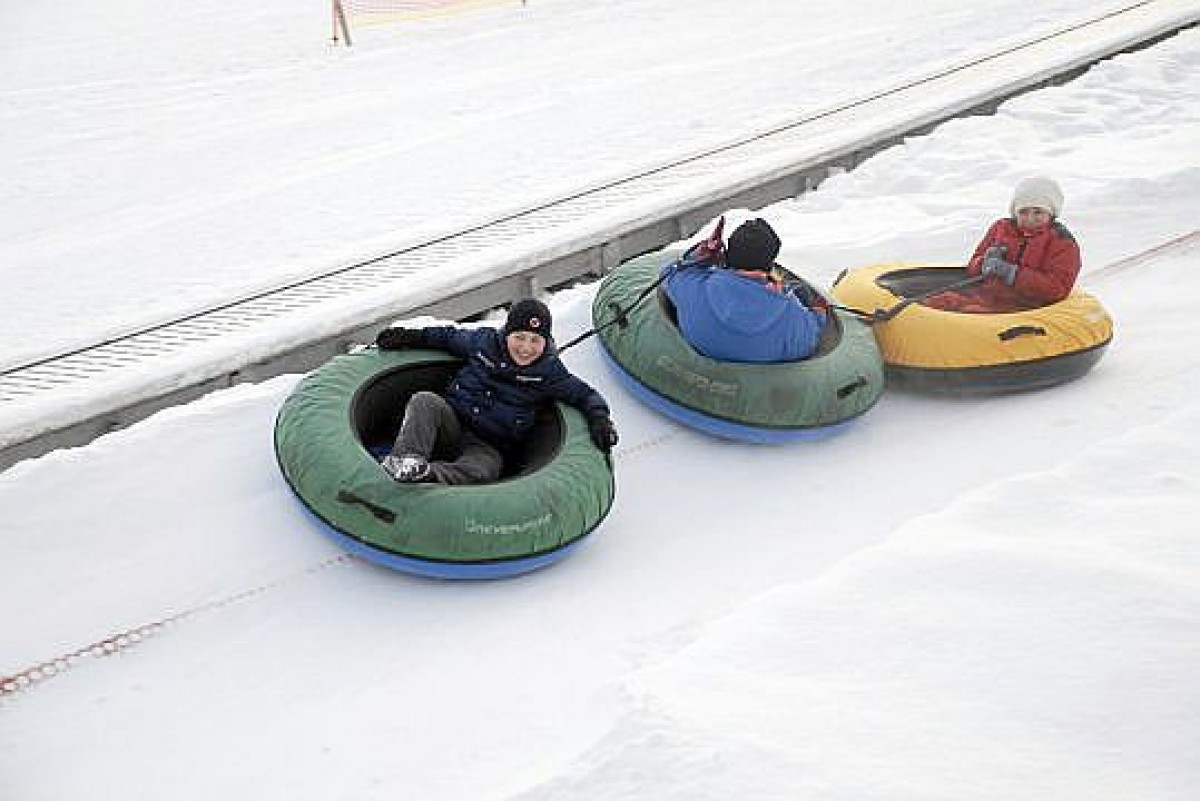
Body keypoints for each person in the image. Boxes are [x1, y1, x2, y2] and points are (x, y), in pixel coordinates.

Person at [373, 299, 618, 485]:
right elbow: (447, 337)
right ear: (507, 333)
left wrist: (600, 419)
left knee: (484, 471)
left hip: (488, 445)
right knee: (425, 401)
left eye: (535, 340)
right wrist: (409, 337)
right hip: (452, 424)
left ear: (545, 342)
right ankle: (405, 460)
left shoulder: (548, 371)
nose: (526, 348)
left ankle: (427, 474)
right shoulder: (484, 343)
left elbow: (584, 395)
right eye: (520, 337)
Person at [662, 217, 828, 363]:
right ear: (770, 262)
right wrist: (819, 313)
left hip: (706, 352)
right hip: (756, 371)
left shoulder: (693, 287)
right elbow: (811, 339)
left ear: (727, 255)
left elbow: (668, 274)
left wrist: (701, 254)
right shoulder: (791, 316)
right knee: (801, 291)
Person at [926, 176, 1082, 313]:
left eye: (1038, 212)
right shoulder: (1001, 228)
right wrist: (983, 263)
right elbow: (972, 264)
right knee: (937, 302)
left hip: (1024, 307)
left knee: (969, 314)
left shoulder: (1062, 242)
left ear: (1051, 213)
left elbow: (1058, 288)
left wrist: (1013, 274)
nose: (1030, 218)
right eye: (1023, 212)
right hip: (986, 296)